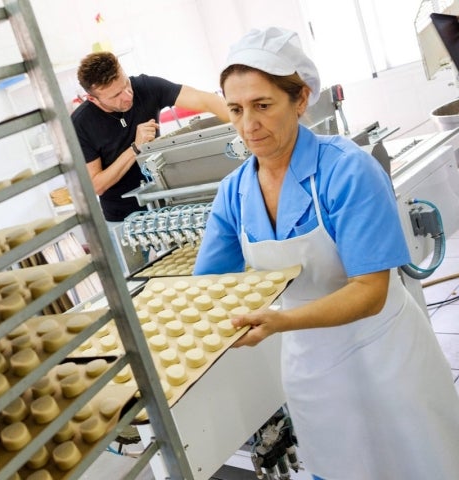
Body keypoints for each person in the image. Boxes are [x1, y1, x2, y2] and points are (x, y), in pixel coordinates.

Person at [193, 27, 459, 480]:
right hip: (311, 365)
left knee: (418, 461)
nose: (247, 125)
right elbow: (211, 288)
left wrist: (279, 321)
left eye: (262, 105)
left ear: (300, 100)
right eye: (235, 109)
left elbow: (370, 292)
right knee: (340, 466)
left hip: (383, 349)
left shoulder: (347, 170)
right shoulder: (233, 193)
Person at [71, 51, 230, 224]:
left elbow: (206, 100)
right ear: (93, 99)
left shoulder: (146, 86)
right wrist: (135, 147)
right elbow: (97, 185)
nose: (127, 95)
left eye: (125, 84)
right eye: (115, 95)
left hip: (167, 204)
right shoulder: (81, 123)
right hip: (124, 219)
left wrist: (244, 124)